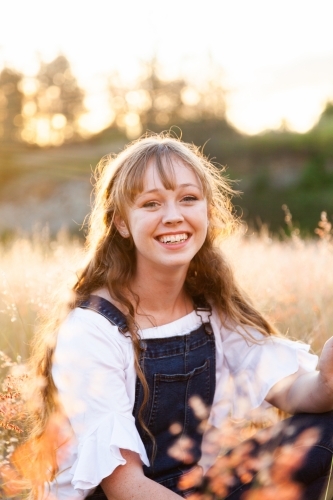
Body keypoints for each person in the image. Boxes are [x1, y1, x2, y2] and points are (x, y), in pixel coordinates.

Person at [28, 134, 333, 500]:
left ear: (207, 210)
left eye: (188, 199)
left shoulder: (211, 309)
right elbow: (124, 486)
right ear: (122, 223)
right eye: (151, 203)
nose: (173, 217)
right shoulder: (92, 330)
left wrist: (326, 384)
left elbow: (289, 388)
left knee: (320, 427)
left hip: (190, 492)